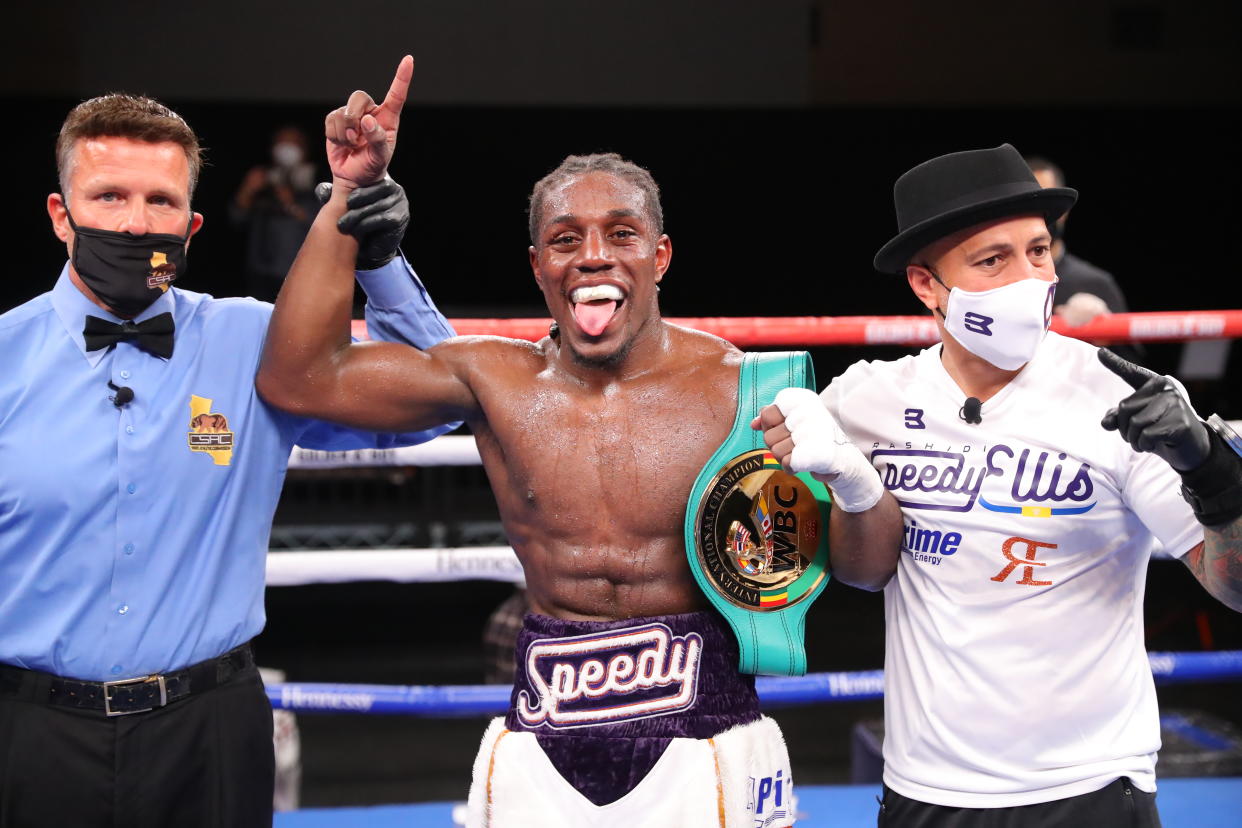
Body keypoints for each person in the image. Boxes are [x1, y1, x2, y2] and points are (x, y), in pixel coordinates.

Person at [256, 58, 903, 827]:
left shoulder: (747, 390)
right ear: (539, 267)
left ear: (658, 257)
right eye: (566, 239)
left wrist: (856, 483)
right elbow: (299, 378)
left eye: (620, 234)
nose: (593, 254)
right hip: (543, 741)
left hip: (709, 739)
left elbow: (868, 571)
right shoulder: (495, 379)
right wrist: (348, 199)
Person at [0, 82, 456, 826]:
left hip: (208, 732)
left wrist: (378, 259)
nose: (135, 221)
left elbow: (439, 396)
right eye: (109, 197)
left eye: (160, 202)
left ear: (192, 223)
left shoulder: (252, 341)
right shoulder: (4, 359)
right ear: (61, 215)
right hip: (31, 732)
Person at [756, 143, 1242, 825]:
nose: (1028, 279)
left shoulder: (1120, 397)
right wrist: (849, 482)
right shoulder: (868, 401)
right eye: (993, 260)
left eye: (1037, 252)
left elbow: (1234, 586)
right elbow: (864, 572)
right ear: (927, 286)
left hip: (1091, 787)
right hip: (925, 789)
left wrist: (1212, 472)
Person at [230, 125, 322, 301]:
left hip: (299, 272)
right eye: (281, 142)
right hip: (259, 273)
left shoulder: (318, 180)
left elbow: (324, 227)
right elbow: (237, 218)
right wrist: (248, 190)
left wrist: (290, 204)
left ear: (305, 148)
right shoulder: (263, 180)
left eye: (292, 143)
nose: (286, 147)